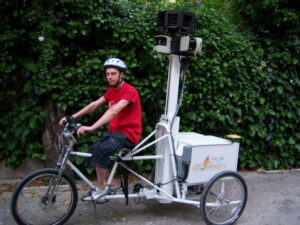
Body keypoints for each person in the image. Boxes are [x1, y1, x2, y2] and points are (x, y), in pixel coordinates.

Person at [59, 58, 142, 200]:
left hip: (128, 134)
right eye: (108, 74)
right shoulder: (111, 90)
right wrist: (71, 118)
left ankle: (101, 189)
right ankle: (114, 184)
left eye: (113, 73)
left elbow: (114, 111)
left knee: (100, 149)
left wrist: (91, 127)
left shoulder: (130, 91)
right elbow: (94, 105)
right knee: (94, 151)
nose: (110, 76)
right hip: (115, 134)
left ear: (122, 75)